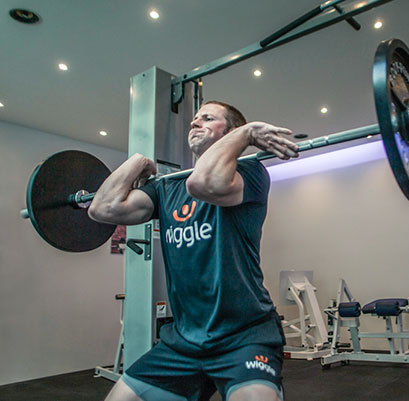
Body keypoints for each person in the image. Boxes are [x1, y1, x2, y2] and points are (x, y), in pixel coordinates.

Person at [88, 100, 299, 401]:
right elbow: (102, 208)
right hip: (184, 341)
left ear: (231, 132)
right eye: (194, 119)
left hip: (245, 336)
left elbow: (204, 183)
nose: (194, 123)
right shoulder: (166, 188)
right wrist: (137, 162)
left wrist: (248, 133)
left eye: (207, 118)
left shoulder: (251, 172)